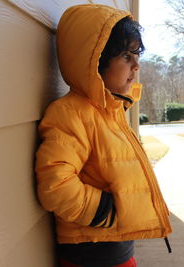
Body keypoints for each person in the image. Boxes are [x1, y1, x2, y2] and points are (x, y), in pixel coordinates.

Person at [35, 4, 172, 267]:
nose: (137, 66)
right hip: (92, 255)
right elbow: (56, 186)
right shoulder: (71, 113)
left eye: (137, 55)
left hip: (117, 248)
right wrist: (110, 211)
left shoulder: (111, 111)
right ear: (95, 59)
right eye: (126, 56)